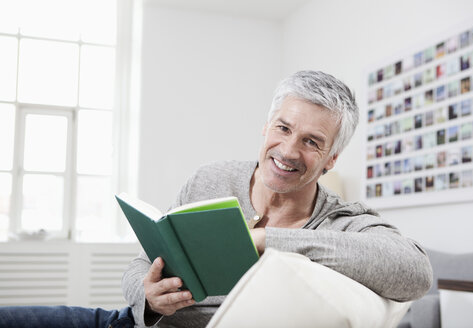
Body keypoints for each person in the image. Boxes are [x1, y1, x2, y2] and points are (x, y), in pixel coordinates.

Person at [122, 70, 433, 327]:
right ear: (266, 126)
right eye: (283, 128)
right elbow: (142, 264)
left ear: (332, 159)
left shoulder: (340, 222)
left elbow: (416, 272)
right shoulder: (209, 180)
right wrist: (149, 297)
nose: (288, 151)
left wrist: (265, 240)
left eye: (311, 142)